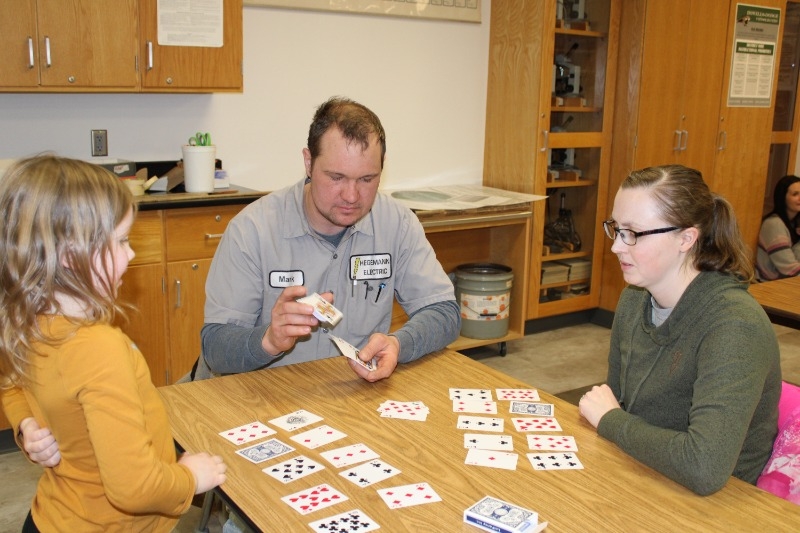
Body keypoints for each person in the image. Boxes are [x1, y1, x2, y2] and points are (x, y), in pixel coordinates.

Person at [0, 155, 227, 532]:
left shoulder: (30, 321)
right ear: (72, 255)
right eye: (121, 241)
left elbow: (10, 383)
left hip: (52, 517)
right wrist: (190, 477)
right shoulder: (98, 349)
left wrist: (25, 424)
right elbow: (134, 488)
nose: (131, 254)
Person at [192, 96, 460, 382]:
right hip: (264, 398)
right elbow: (215, 347)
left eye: (367, 179)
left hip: (348, 396)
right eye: (336, 177)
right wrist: (268, 340)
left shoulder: (397, 223)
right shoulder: (252, 230)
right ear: (308, 163)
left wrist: (398, 344)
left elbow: (444, 312)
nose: (351, 196)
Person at [580, 164, 781, 496]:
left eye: (633, 233)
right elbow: (615, 403)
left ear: (686, 238)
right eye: (616, 228)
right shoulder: (634, 299)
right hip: (645, 470)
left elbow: (704, 467)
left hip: (721, 502)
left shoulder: (735, 326)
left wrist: (611, 421)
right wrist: (611, 420)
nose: (617, 246)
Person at [756, 174, 800, 280]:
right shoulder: (774, 224)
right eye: (795, 194)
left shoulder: (794, 223)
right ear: (783, 197)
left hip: (786, 284)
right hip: (767, 286)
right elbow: (789, 270)